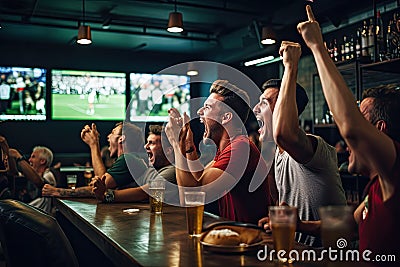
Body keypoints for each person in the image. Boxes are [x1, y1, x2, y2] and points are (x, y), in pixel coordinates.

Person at [295, 5, 400, 258]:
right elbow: (350, 225)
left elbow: (350, 127)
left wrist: (317, 47)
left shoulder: (395, 171)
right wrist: (298, 225)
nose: (345, 136)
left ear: (379, 131)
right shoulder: (376, 186)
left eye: (362, 120)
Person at [255, 43, 346, 246]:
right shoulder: (277, 154)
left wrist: (290, 66)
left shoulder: (314, 148)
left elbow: (285, 134)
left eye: (265, 102)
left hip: (331, 257)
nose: (255, 108)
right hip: (298, 253)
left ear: (284, 108)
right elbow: (284, 208)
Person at [165, 80, 271, 224]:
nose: (199, 112)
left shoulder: (241, 148)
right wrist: (187, 144)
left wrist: (176, 144)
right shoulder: (227, 149)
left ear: (226, 117)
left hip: (251, 239)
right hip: (235, 236)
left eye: (207, 107)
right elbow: (199, 179)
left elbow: (192, 197)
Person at [42, 122, 147, 198]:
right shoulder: (131, 159)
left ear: (121, 139)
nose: (108, 137)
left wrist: (94, 144)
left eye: (112, 133)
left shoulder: (128, 159)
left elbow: (99, 185)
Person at [91, 124, 176, 203]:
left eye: (151, 143)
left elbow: (143, 193)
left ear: (168, 150)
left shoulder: (172, 171)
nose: (145, 146)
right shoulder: (151, 170)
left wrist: (106, 195)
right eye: (147, 142)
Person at [8, 146, 56, 214]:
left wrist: (19, 157)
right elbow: (14, 174)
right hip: (27, 213)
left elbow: (38, 182)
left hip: (40, 218)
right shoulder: (27, 175)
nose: (29, 160)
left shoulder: (48, 175)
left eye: (33, 157)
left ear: (42, 161)